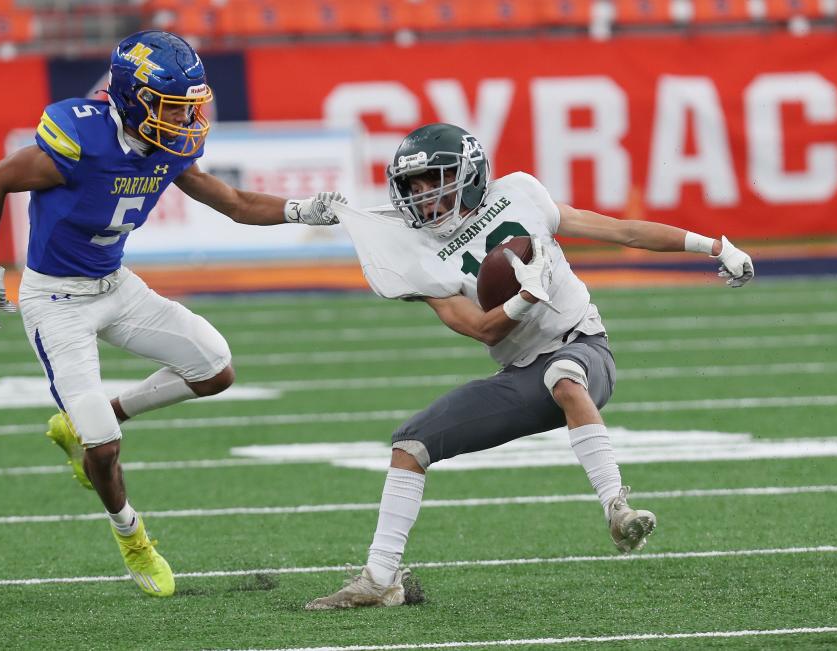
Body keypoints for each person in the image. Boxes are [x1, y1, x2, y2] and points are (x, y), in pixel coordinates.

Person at [305, 123, 754, 610]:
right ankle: (379, 578)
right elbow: (481, 329)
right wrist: (525, 297)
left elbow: (622, 230)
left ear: (468, 175)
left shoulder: (520, 194)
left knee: (563, 376)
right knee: (411, 443)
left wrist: (714, 245)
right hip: (519, 372)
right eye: (413, 186)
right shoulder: (415, 253)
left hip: (583, 346)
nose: (423, 196)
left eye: (434, 181)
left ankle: (616, 508)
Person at [0, 30, 344, 598]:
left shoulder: (170, 146)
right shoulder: (80, 138)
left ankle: (94, 418)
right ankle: (132, 536)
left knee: (214, 369)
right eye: (174, 106)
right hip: (57, 301)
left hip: (117, 286)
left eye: (191, 107)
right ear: (135, 99)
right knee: (105, 447)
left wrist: (300, 209)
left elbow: (233, 203)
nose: (187, 119)